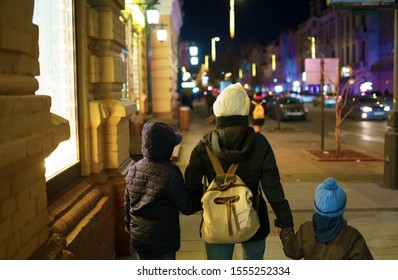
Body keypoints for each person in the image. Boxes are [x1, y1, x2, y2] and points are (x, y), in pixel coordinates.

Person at [184, 82, 294, 260]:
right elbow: (272, 187)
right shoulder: (260, 144)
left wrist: (197, 205)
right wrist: (284, 221)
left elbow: (191, 184)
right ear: (245, 109)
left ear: (217, 109)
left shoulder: (204, 145)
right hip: (254, 218)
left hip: (216, 219)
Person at [124, 122, 199, 260]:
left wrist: (127, 222)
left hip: (139, 237)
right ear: (167, 147)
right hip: (163, 240)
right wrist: (202, 197)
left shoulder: (133, 168)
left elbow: (128, 201)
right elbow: (187, 207)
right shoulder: (171, 172)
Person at [280, 177, 373, 260]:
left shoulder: (306, 230)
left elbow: (292, 250)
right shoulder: (352, 236)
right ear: (342, 208)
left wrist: (285, 232)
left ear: (316, 205)